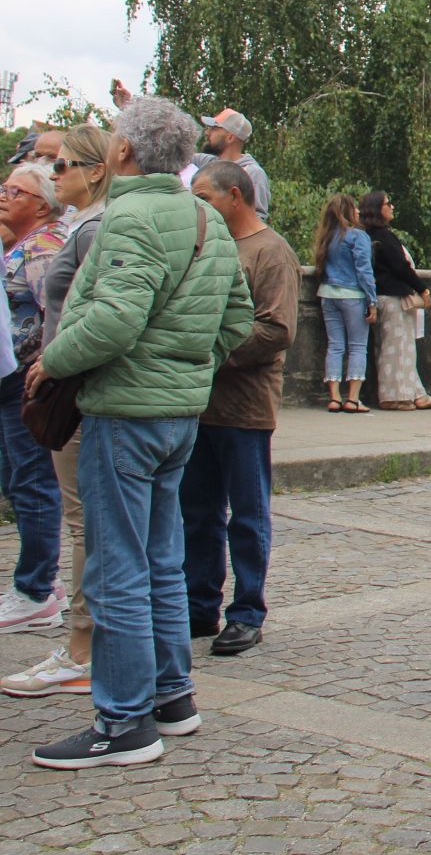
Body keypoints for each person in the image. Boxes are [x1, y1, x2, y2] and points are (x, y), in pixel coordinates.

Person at [26, 95, 252, 769]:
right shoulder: (204, 218)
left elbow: (114, 322)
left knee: (117, 564)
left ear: (123, 151)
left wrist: (50, 364)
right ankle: (170, 695)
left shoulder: (130, 217)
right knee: (158, 556)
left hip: (127, 412)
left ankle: (124, 723)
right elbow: (238, 318)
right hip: (178, 411)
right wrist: (191, 365)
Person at [3, 126, 112, 696]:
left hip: (72, 387)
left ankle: (83, 646)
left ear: (95, 170)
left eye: (60, 162)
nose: (51, 171)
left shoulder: (93, 227)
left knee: (83, 521)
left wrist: (53, 363)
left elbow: (95, 314)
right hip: (66, 382)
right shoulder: (83, 225)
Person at [182, 162, 298, 657]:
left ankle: (247, 611)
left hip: (244, 408)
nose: (197, 205)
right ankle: (198, 604)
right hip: (199, 404)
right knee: (197, 512)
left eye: (204, 196)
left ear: (235, 195)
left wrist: (205, 353)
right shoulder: (207, 244)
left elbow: (275, 331)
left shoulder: (271, 253)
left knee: (247, 516)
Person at [0, 161, 68, 634]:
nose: (5, 195)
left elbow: (56, 313)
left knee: (32, 482)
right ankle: (42, 581)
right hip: (9, 380)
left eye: (16, 191)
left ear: (41, 204)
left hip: (27, 381)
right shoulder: (16, 246)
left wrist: (45, 371)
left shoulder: (42, 247)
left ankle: (36, 588)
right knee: (15, 479)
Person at [359, 191, 431, 412]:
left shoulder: (368, 235)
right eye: (388, 204)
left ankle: (414, 392)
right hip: (392, 296)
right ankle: (394, 395)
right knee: (395, 347)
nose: (392, 207)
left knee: (401, 346)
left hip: (384, 295)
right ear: (378, 209)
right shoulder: (383, 237)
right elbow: (400, 267)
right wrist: (422, 289)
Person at [311, 194, 376, 414]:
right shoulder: (357, 237)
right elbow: (364, 270)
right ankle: (353, 398)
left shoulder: (327, 237)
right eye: (355, 208)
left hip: (328, 294)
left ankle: (334, 397)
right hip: (353, 295)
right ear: (348, 212)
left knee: (335, 345)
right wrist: (372, 301)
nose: (358, 211)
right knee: (358, 345)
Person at [191, 108, 270, 219]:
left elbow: (258, 219)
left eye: (214, 129)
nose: (207, 132)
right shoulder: (207, 162)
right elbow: (175, 156)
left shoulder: (253, 173)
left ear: (230, 137)